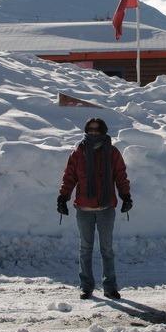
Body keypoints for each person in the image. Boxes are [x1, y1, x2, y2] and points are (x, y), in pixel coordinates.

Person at [57, 117, 132, 300]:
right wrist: (63, 197)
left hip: (106, 207)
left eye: (97, 130)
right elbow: (70, 177)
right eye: (90, 130)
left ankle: (110, 287)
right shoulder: (79, 152)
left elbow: (120, 176)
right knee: (85, 248)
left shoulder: (112, 153)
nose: (93, 133)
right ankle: (86, 286)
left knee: (107, 249)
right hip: (84, 209)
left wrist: (126, 196)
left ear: (103, 131)